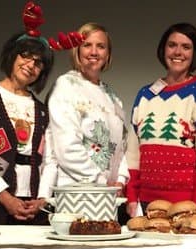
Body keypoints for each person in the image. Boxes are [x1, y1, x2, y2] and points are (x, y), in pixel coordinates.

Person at [125, 23, 196, 216]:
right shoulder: (145, 95)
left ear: (195, 53)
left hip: (185, 207)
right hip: (144, 206)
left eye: (186, 47)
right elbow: (132, 153)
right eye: (172, 45)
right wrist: (131, 198)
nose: (178, 52)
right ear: (163, 49)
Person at [0, 29, 54, 224]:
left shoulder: (42, 110)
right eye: (26, 55)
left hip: (32, 206)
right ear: (12, 55)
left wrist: (42, 199)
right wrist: (6, 197)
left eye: (38, 63)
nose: (30, 65)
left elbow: (49, 161)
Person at [37, 22, 129, 201]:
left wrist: (120, 180)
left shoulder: (112, 97)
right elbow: (66, 148)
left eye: (101, 46)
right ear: (77, 51)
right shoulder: (66, 85)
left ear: (108, 54)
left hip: (108, 195)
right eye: (87, 45)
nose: (94, 52)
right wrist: (101, 181)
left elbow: (122, 147)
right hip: (75, 191)